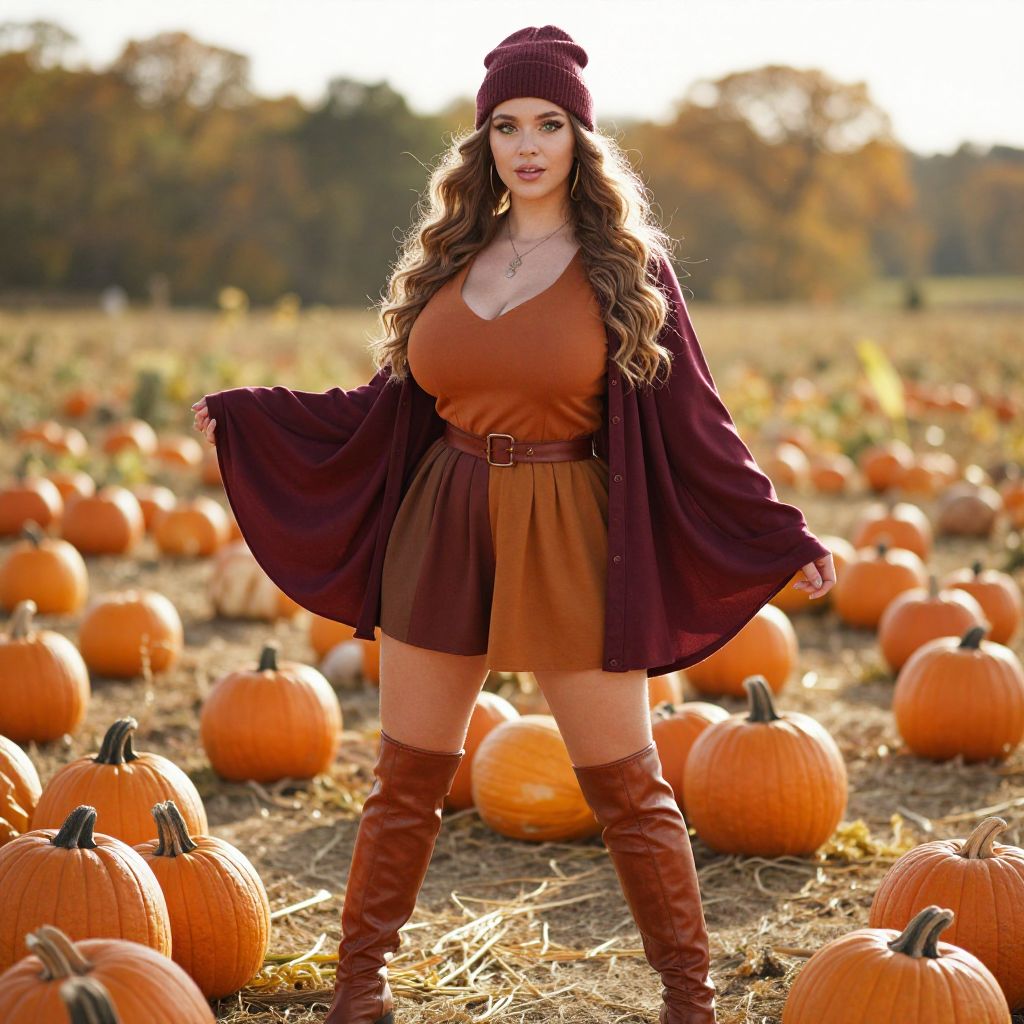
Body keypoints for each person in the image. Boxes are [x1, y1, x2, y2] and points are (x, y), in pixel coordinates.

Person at [193, 25, 835, 1024]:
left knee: (626, 787)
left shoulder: (626, 268)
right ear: (482, 140)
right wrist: (254, 412)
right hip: (442, 519)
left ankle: (689, 999)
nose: (526, 143)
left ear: (579, 136)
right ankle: (357, 992)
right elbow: (385, 406)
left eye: (547, 123)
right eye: (506, 125)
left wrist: (780, 532)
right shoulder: (452, 259)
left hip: (569, 525)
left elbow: (695, 418)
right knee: (404, 780)